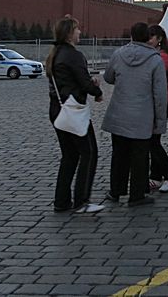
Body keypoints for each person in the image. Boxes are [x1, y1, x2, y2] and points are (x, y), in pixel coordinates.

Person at [101, 21, 167, 207]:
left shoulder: (118, 54)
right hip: (142, 117)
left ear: (131, 36)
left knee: (119, 155)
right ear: (147, 37)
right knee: (140, 156)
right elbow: (160, 94)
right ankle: (136, 195)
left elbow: (108, 77)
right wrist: (160, 121)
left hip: (119, 114)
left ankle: (116, 191)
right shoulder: (155, 60)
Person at [47, 15, 104, 214]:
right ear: (70, 33)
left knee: (69, 156)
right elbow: (84, 82)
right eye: (77, 29)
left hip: (58, 111)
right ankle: (81, 201)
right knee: (89, 153)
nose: (80, 32)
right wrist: (97, 90)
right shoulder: (73, 55)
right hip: (73, 112)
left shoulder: (55, 54)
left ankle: (61, 201)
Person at [148, 23, 168, 192]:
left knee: (153, 142)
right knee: (154, 140)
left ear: (159, 39)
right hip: (154, 102)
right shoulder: (157, 54)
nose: (148, 40)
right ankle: (155, 177)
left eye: (151, 37)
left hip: (161, 103)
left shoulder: (163, 57)